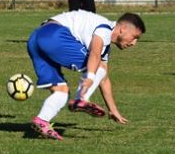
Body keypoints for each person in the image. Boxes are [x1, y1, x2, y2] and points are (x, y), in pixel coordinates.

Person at [26, 10, 145, 140]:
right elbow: (94, 55)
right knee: (97, 68)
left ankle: (42, 121)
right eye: (135, 37)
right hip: (53, 35)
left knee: (61, 92)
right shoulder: (104, 29)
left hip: (35, 39)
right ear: (122, 29)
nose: (134, 43)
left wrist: (113, 109)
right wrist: (90, 77)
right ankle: (81, 99)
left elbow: (103, 79)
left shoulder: (105, 46)